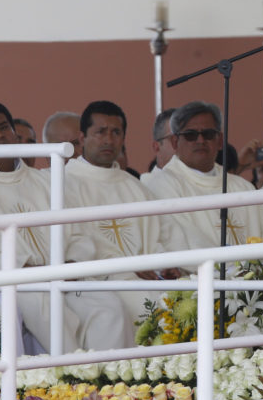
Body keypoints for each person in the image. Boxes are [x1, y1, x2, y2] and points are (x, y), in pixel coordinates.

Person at [0, 101, 130, 352]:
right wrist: (33, 270)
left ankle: (112, 385)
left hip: (62, 276)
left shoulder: (43, 180)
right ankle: (71, 380)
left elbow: (77, 231)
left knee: (109, 308)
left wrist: (73, 263)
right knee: (43, 304)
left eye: (3, 127)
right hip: (15, 282)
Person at [63, 100, 186, 322]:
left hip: (148, 278)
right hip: (98, 281)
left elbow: (164, 234)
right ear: (82, 138)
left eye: (116, 132)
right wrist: (129, 267)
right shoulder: (64, 184)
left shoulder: (135, 186)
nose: (109, 140)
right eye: (100, 132)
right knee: (150, 311)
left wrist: (163, 265)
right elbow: (75, 245)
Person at [141, 101, 263, 249]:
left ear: (220, 141)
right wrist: (230, 268)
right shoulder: (162, 186)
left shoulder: (242, 187)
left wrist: (261, 268)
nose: (200, 141)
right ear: (175, 142)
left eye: (208, 134)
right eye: (190, 135)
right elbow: (181, 241)